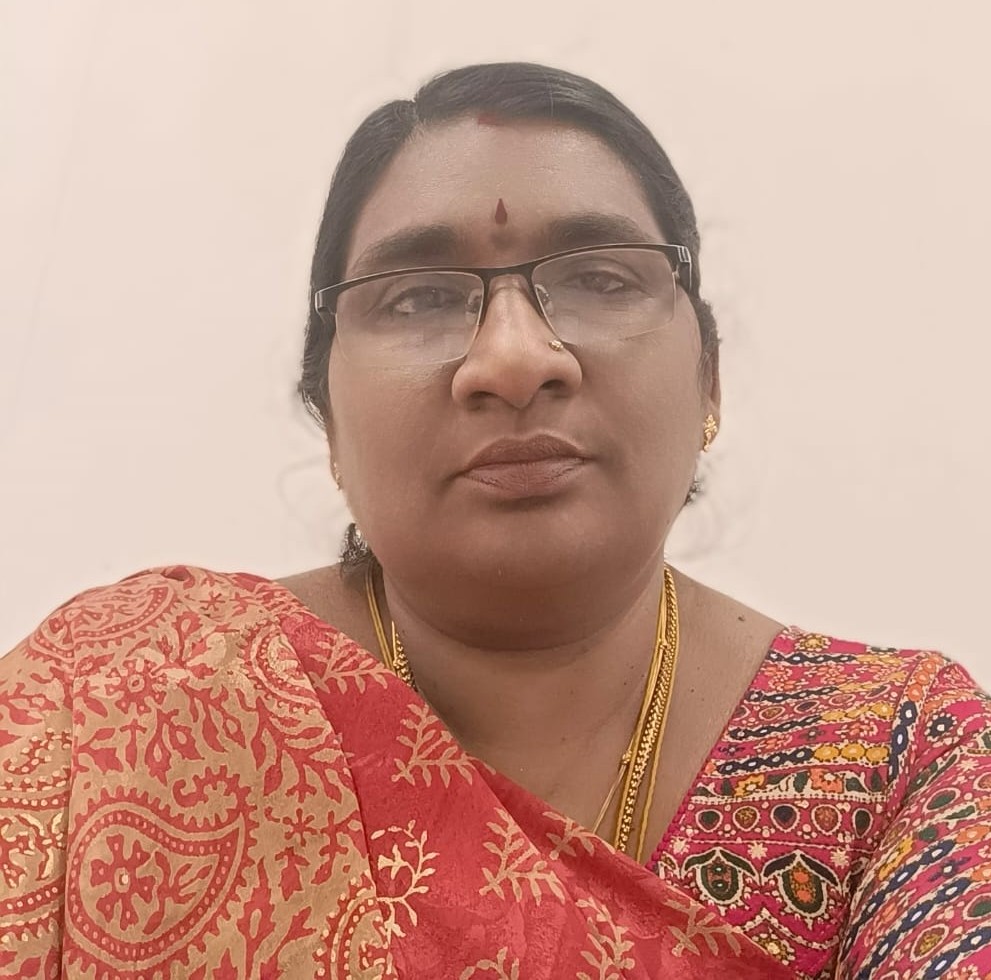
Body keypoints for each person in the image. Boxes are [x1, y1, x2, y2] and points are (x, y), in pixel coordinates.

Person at [1, 62, 989, 980]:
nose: (514, 360)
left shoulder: (900, 752)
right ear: (328, 416)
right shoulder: (123, 705)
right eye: (420, 297)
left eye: (599, 278)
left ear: (709, 380)